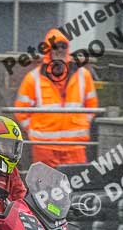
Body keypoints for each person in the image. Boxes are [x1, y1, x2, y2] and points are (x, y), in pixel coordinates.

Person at [14, 29, 99, 167]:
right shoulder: (34, 78)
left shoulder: (83, 75)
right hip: (44, 148)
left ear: (68, 48)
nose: (59, 50)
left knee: (74, 185)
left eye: (63, 46)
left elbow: (92, 105)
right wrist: (35, 131)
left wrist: (81, 124)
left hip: (75, 147)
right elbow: (20, 110)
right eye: (55, 47)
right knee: (45, 186)